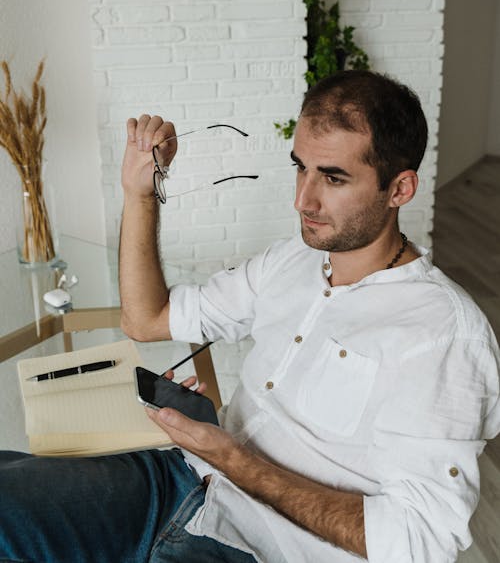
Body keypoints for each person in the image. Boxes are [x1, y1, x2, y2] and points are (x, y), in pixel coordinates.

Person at [1, 70, 499, 563]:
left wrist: (237, 462)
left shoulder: (445, 333)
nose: (303, 199)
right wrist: (140, 193)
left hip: (267, 547)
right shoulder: (291, 261)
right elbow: (147, 319)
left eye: (333, 177)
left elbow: (418, 542)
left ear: (400, 189)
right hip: (182, 480)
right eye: (300, 167)